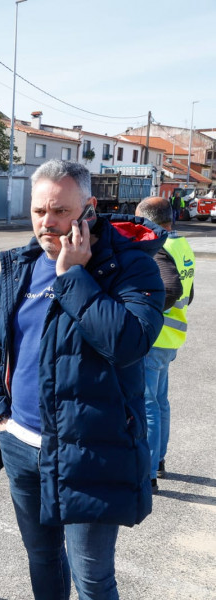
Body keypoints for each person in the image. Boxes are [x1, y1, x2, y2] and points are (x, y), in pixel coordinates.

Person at [0, 160, 167, 600]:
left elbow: (127, 343)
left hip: (90, 452)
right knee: (41, 557)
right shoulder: (20, 265)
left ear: (89, 208)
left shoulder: (132, 267)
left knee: (93, 577)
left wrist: (72, 276)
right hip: (20, 442)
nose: (47, 223)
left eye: (60, 211)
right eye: (39, 211)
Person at [135, 196, 195, 493]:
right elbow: (188, 291)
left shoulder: (158, 246)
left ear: (148, 220)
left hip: (155, 339)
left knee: (148, 405)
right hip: (172, 338)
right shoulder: (181, 245)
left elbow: (170, 289)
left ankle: (148, 474)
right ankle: (158, 461)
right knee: (159, 402)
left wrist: (146, 314)